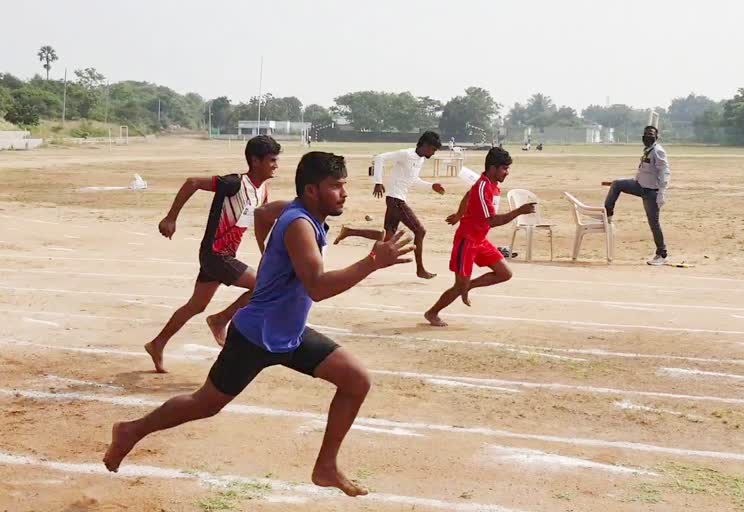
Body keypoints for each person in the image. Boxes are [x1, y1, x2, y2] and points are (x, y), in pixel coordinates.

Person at [103, 151, 415, 497]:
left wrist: (269, 254)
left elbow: (264, 214)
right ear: (311, 190)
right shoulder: (298, 224)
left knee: (356, 379)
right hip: (256, 336)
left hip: (289, 335)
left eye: (344, 185)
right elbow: (318, 287)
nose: (343, 193)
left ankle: (325, 467)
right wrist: (372, 261)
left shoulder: (297, 212)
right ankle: (131, 431)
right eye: (336, 186)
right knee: (205, 403)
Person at [144, 135, 281, 373]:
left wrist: (266, 253)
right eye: (271, 160)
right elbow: (192, 182)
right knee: (264, 285)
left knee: (195, 306)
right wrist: (171, 217)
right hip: (216, 255)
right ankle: (220, 320)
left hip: (221, 257)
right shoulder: (234, 183)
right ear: (255, 161)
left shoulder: (263, 191)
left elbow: (261, 223)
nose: (276, 165)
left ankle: (157, 344)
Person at [424, 147, 535, 327]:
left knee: (504, 273)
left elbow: (468, 195)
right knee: (459, 284)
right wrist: (518, 212)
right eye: (504, 169)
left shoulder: (491, 186)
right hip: (467, 240)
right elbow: (492, 221)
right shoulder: (483, 187)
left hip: (480, 240)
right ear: (493, 168)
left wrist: (459, 214)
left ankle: (468, 286)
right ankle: (432, 312)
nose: (507, 173)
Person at [333, 131, 445, 279]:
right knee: (420, 231)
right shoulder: (406, 154)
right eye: (432, 149)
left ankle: (348, 231)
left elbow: (413, 180)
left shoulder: (420, 159)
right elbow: (380, 158)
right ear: (424, 145)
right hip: (396, 200)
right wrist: (378, 182)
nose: (433, 152)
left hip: (396, 199)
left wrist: (431, 186)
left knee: (386, 237)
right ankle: (420, 269)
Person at [604, 125, 670, 265]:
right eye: (646, 134)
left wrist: (662, 192)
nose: (647, 137)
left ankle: (661, 254)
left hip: (651, 192)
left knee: (654, 223)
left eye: (651, 134)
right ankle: (607, 214)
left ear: (656, 137)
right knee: (617, 184)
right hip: (639, 186)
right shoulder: (648, 150)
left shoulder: (658, 151)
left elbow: (664, 171)